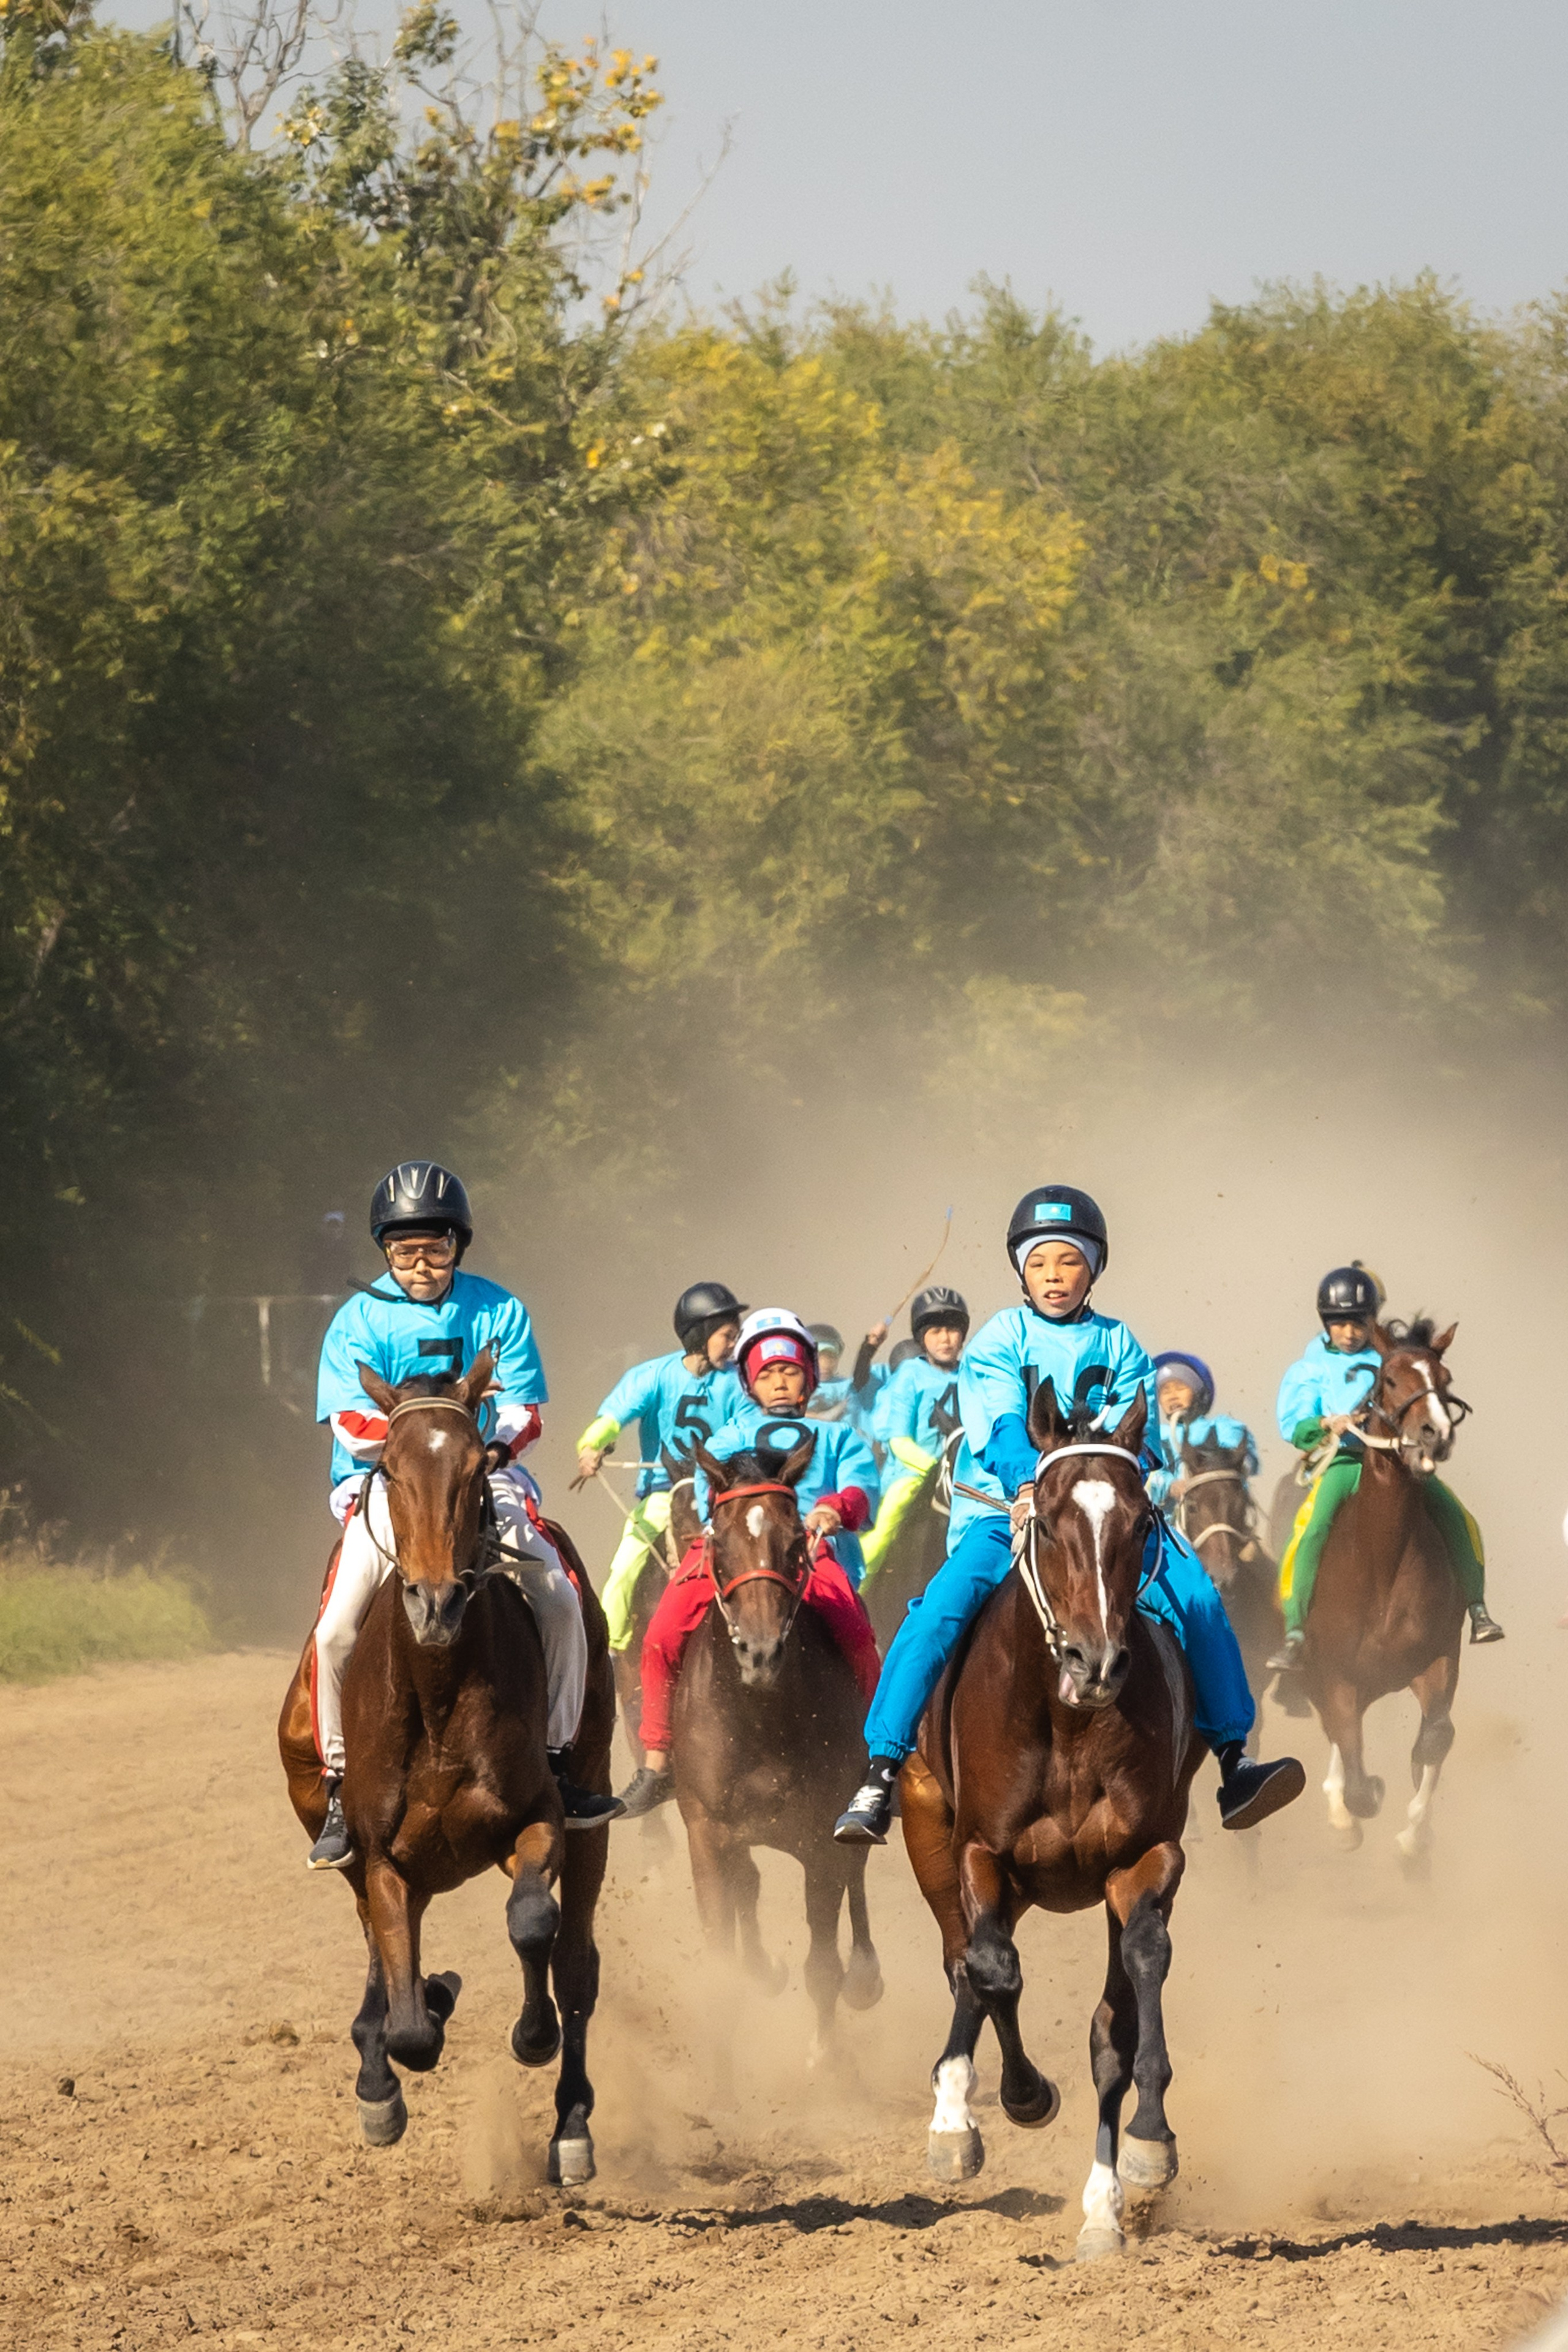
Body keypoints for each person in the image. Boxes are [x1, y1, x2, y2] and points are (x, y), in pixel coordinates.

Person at [834, 1186, 1305, 1845]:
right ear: (1021, 1272)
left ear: (1094, 1269)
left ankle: (1234, 1761)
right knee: (939, 1610)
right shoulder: (999, 1338)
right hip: (1011, 1512)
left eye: (1069, 1262)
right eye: (1040, 1264)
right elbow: (1002, 1427)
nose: (1054, 1276)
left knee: (1198, 1598)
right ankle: (880, 1769)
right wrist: (1027, 1482)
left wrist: (1138, 1482)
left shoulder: (1121, 1343)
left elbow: (1137, 1441)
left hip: (1104, 1517)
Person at [307, 1160, 622, 1869]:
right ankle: (336, 1785)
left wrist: (487, 1449)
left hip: (485, 1474)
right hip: (388, 1482)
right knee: (333, 1632)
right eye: (404, 1249)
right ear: (384, 1250)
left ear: (460, 1244)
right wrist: (425, 1438)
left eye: (436, 1247)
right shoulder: (356, 1320)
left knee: (560, 1598)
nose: (421, 1264)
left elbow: (522, 1409)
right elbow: (351, 1422)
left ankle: (561, 1764)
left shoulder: (500, 1310)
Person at [616, 1308, 883, 1817]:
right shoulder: (722, 1441)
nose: (779, 1383)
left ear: (809, 1376)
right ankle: (656, 1762)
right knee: (659, 1637)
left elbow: (862, 1490)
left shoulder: (839, 1437)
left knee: (858, 1636)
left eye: (790, 1371)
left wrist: (835, 1506)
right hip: (731, 1552)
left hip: (807, 1549)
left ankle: (877, 1761)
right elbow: (704, 1501)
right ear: (748, 1381)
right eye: (767, 1373)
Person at [1267, 1265, 1502, 1672]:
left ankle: (1478, 1609)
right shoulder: (1310, 1369)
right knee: (1313, 1527)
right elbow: (1294, 1422)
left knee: (1459, 1518)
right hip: (1342, 1462)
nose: (1350, 1332)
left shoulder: (1392, 1360)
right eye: (1339, 1324)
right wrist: (1325, 1423)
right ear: (1327, 1324)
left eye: (1358, 1323)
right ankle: (1296, 1631)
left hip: (1396, 1462)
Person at [574, 1283, 746, 1660]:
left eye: (737, 1336)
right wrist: (592, 1444)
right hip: (661, 1495)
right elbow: (613, 1418)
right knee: (624, 1569)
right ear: (700, 1336)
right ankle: (607, 1652)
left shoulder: (739, 1382)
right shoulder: (652, 1376)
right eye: (727, 1336)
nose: (735, 1344)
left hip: (721, 1497)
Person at [858, 1287, 970, 1581]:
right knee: (885, 1527)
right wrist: (936, 1470)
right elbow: (898, 1440)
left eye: (952, 1330)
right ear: (922, 1338)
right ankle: (857, 1584)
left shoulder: (972, 1373)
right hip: (915, 1475)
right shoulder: (909, 1374)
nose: (945, 1339)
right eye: (936, 1331)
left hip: (964, 1475)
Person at [1147, 1351, 1259, 1513]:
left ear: (1197, 1392)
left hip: (1221, 1513)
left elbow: (1246, 1462)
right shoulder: (1155, 1438)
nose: (1172, 1396)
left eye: (1180, 1388)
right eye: (1165, 1391)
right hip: (1169, 1523)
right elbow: (1146, 1476)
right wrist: (1171, 1486)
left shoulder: (1222, 1429)